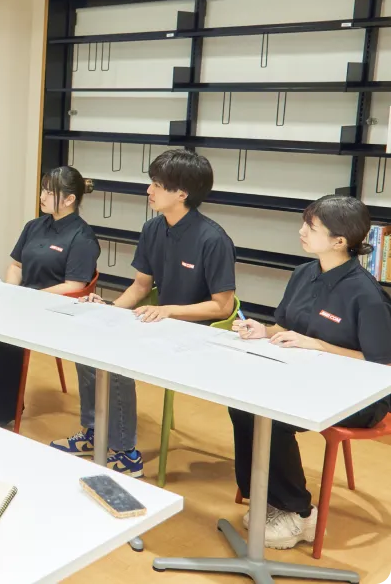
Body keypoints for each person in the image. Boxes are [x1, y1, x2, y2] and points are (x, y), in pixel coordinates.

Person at [53, 149, 237, 477]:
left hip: (201, 332)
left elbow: (222, 306)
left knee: (118, 361)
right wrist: (108, 310)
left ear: (182, 193)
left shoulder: (214, 239)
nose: (149, 191)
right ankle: (95, 431)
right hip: (159, 323)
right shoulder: (153, 229)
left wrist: (168, 311)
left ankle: (126, 453)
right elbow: (140, 287)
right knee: (87, 344)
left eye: (157, 185)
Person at [231, 195, 391, 550]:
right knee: (241, 403)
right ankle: (268, 497)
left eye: (312, 227)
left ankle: (299, 512)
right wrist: (264, 330)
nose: (301, 231)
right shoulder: (304, 273)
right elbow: (287, 327)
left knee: (273, 415)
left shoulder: (366, 295)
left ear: (340, 241)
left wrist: (320, 347)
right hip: (306, 378)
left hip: (361, 396)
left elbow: (381, 366)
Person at [0, 166, 100, 428]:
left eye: (49, 192)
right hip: (24, 302)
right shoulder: (34, 226)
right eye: (42, 189)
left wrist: (32, 298)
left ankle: (2, 411)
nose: (41, 196)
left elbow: (74, 285)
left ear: (69, 199)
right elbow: (16, 266)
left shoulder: (82, 236)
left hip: (55, 310)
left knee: (5, 335)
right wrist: (10, 290)